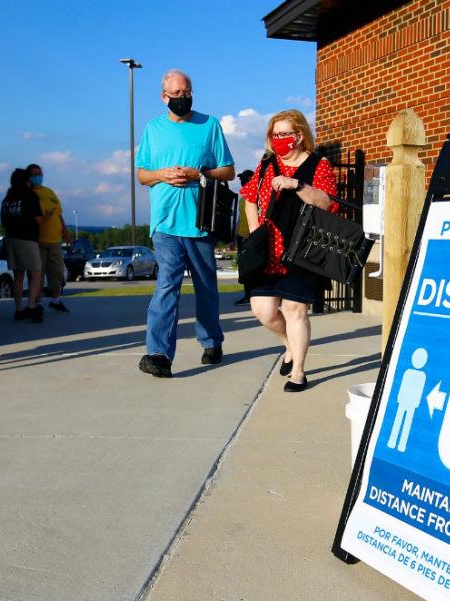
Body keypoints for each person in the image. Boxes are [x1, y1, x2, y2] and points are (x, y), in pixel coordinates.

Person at [135, 69, 235, 378]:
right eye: (176, 93)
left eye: (187, 92)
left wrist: (197, 174)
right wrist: (162, 174)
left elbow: (228, 171)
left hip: (200, 221)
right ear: (164, 96)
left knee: (205, 286)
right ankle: (159, 354)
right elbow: (142, 175)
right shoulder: (153, 128)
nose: (183, 97)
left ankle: (211, 341)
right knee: (168, 284)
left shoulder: (209, 125)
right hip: (165, 221)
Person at [240, 109, 339, 392]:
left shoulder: (318, 164)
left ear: (299, 135)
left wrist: (296, 184)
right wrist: (255, 229)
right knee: (264, 311)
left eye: (285, 133)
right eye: (275, 134)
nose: (280, 139)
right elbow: (249, 196)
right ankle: (289, 346)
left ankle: (298, 371)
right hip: (268, 250)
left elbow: (326, 203)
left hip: (303, 249)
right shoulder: (267, 163)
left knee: (295, 310)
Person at [0, 168, 51, 322]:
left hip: (11, 239)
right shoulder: (30, 196)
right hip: (28, 239)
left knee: (18, 276)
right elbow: (38, 220)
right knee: (36, 274)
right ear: (26, 181)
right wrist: (47, 216)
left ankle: (18, 309)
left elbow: (3, 221)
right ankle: (30, 306)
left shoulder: (7, 199)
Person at [28, 163, 73, 314]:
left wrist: (67, 237)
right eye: (35, 174)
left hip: (55, 241)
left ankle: (55, 300)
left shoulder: (50, 192)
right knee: (38, 274)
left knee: (57, 272)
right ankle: (38, 303)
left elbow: (59, 216)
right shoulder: (29, 194)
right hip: (38, 241)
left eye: (40, 174)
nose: (38, 177)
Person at [234, 169, 255, 307]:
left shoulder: (255, 197)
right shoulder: (242, 199)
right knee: (243, 269)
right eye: (241, 180)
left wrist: (250, 234)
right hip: (241, 238)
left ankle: (252, 296)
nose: (242, 182)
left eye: (245, 180)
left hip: (251, 237)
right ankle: (247, 295)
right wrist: (233, 237)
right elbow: (240, 218)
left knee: (251, 269)